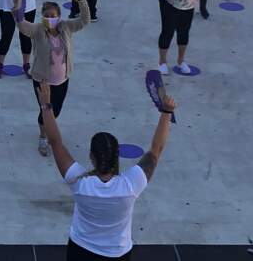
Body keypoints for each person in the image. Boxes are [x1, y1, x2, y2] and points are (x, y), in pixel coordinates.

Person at [38, 77, 176, 261]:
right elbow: (156, 151)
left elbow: (55, 143)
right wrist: (167, 112)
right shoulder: (130, 185)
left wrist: (46, 106)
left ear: (91, 157)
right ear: (117, 156)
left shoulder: (80, 183)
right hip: (118, 254)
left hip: (80, 251)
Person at [16, 0, 90, 156]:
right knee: (45, 110)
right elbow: (21, 25)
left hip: (62, 80)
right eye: (46, 16)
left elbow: (85, 20)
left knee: (56, 111)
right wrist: (17, 9)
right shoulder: (37, 30)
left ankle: (49, 130)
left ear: (59, 16)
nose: (49, 19)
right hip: (42, 80)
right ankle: (43, 137)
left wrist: (81, 1)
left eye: (53, 16)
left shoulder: (66, 28)